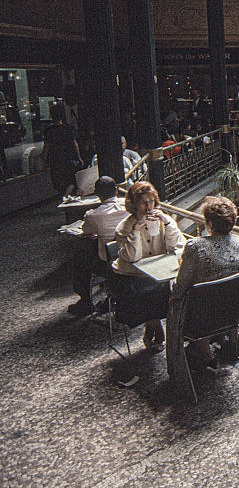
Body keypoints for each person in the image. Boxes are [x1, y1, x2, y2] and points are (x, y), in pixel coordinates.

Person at [166, 196, 239, 390]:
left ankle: (186, 362)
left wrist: (173, 291)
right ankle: (203, 353)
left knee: (174, 299)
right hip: (233, 316)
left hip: (200, 321)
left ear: (209, 223)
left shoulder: (196, 247)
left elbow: (181, 285)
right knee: (209, 301)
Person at [112, 181, 184, 351]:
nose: (149, 206)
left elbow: (178, 244)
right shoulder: (124, 227)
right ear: (134, 205)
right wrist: (136, 230)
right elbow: (131, 257)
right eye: (143, 202)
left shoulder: (160, 220)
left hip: (157, 275)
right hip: (131, 277)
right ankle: (157, 327)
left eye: (151, 201)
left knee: (169, 291)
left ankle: (153, 326)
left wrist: (167, 223)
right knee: (149, 294)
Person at [69, 176, 128, 316]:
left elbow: (86, 231)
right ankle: (113, 295)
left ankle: (85, 302)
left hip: (109, 263)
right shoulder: (129, 206)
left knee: (81, 256)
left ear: (97, 194)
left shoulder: (94, 215)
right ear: (116, 190)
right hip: (132, 256)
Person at [43, 103, 81, 197]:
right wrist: (79, 158)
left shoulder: (49, 131)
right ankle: (67, 198)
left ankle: (65, 199)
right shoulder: (69, 128)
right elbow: (75, 144)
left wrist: (44, 161)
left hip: (56, 161)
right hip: (69, 159)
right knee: (71, 181)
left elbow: (46, 147)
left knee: (60, 184)